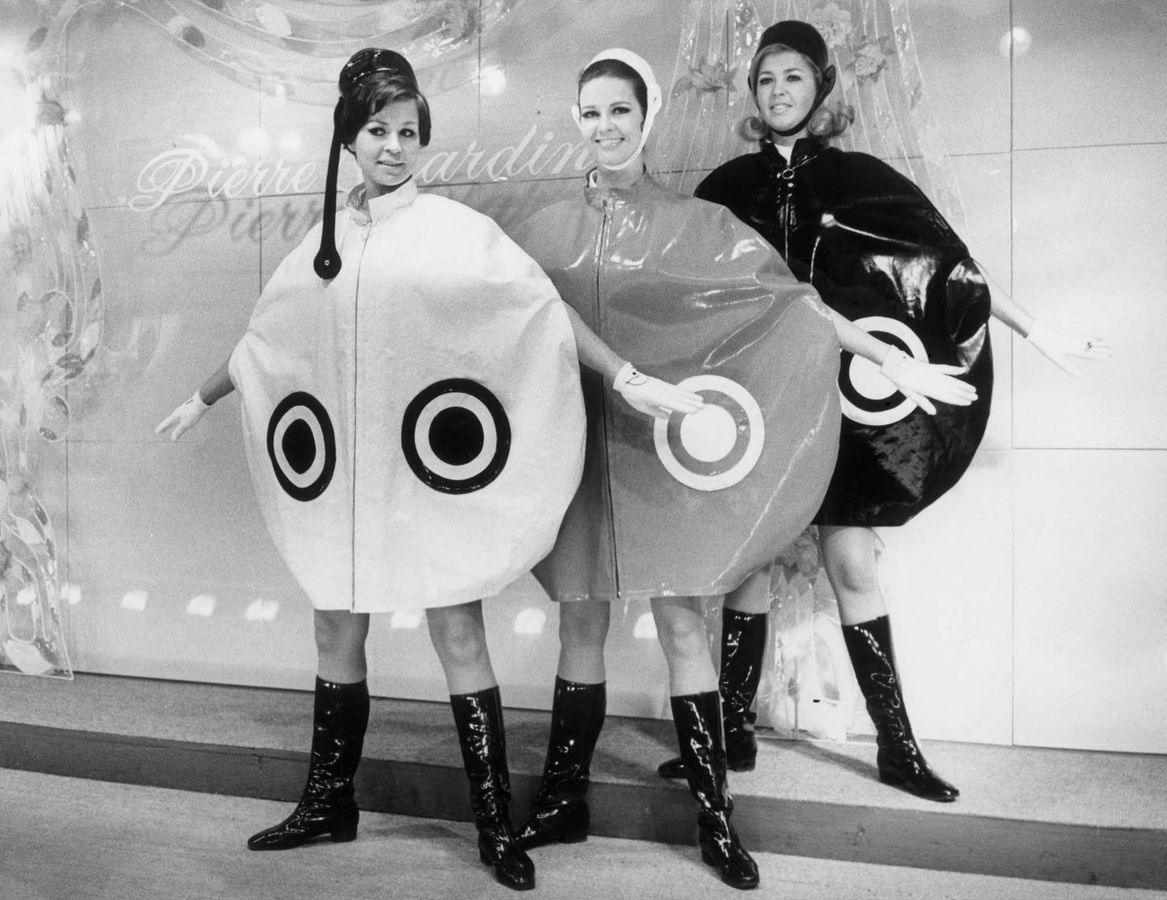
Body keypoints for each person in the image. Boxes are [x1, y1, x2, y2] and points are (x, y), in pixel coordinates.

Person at [153, 47, 674, 892]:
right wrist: (201, 396)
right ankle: (328, 802)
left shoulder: (455, 233)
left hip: (419, 480)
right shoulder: (319, 245)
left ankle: (493, 824)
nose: (393, 147)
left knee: (456, 631)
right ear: (348, 140)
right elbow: (267, 340)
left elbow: (541, 310)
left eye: (407, 131)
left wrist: (622, 375)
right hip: (345, 488)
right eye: (377, 131)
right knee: (335, 629)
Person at [507, 48, 977, 890]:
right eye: (592, 112)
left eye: (620, 110)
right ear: (577, 119)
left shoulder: (699, 225)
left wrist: (887, 356)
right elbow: (510, 312)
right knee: (580, 625)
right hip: (580, 452)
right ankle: (562, 797)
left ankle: (714, 817)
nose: (606, 126)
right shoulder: (540, 231)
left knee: (683, 626)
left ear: (647, 114)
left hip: (664, 457)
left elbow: (794, 307)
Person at [655, 20, 1111, 802]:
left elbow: (952, 268)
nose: (777, 91)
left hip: (848, 401)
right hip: (759, 400)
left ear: (821, 85)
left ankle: (897, 748)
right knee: (749, 565)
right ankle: (730, 733)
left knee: (852, 562)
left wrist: (1035, 330)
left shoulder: (862, 178)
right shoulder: (725, 188)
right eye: (764, 79)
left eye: (792, 76)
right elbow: (679, 287)